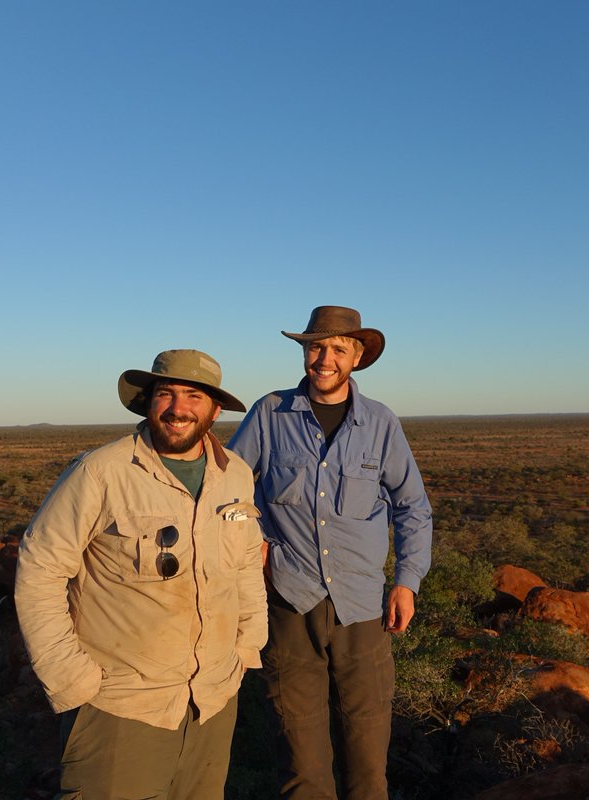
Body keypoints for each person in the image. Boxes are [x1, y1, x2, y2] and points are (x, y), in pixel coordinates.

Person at [15, 349, 268, 800]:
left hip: (212, 700)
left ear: (214, 410)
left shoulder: (237, 476)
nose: (178, 407)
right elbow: (40, 569)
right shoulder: (101, 472)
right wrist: (72, 678)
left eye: (194, 395)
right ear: (148, 402)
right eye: (166, 393)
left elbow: (248, 564)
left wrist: (248, 646)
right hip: (120, 705)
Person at [228, 306, 433, 799]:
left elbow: (412, 507)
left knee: (367, 757)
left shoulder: (380, 423)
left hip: (363, 609)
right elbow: (228, 490)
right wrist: (250, 541)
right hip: (288, 603)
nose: (325, 358)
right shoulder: (269, 412)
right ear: (303, 351)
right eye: (316, 346)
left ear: (356, 357)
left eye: (338, 349)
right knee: (302, 760)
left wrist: (407, 581)